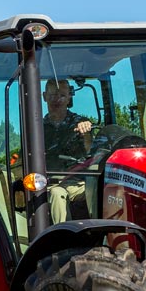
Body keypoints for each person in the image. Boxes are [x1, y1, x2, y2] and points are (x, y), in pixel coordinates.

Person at [42, 80, 93, 223]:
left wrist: (86, 134)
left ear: (69, 97)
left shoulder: (81, 122)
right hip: (51, 183)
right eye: (53, 95)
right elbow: (24, 160)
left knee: (102, 189)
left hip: (78, 183)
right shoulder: (37, 128)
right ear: (44, 96)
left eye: (62, 95)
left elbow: (91, 152)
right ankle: (64, 235)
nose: (57, 99)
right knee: (57, 193)